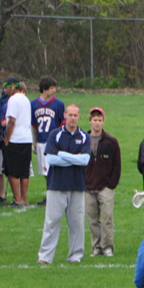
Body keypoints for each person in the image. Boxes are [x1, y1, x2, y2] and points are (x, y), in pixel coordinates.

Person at [37, 105, 90, 264]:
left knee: (77, 223)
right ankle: (45, 257)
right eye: (70, 115)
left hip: (77, 185)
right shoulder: (56, 134)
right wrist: (75, 158)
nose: (73, 118)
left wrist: (63, 155)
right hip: (56, 185)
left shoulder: (84, 136)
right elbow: (51, 160)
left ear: (79, 116)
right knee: (51, 222)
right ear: (65, 115)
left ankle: (75, 256)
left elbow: (85, 160)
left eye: (75, 115)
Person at [85, 107, 121, 258]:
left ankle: (107, 246)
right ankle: (96, 247)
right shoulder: (83, 139)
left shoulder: (111, 141)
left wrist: (111, 184)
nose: (97, 123)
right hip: (87, 187)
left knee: (107, 218)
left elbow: (117, 165)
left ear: (103, 121)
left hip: (105, 187)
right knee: (92, 220)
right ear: (90, 121)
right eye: (95, 120)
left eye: (100, 120)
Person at [30, 76, 65, 206]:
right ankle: (51, 194)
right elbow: (33, 125)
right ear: (44, 89)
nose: (54, 90)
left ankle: (53, 195)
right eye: (51, 88)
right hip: (41, 141)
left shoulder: (58, 104)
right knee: (45, 171)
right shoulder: (34, 104)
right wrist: (35, 141)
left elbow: (63, 124)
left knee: (51, 170)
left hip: (53, 142)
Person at [4, 83, 33, 207]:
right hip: (27, 138)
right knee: (24, 171)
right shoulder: (26, 99)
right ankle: (24, 198)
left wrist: (7, 138)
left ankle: (17, 200)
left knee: (13, 171)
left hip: (15, 138)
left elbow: (11, 121)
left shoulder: (13, 99)